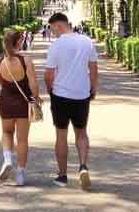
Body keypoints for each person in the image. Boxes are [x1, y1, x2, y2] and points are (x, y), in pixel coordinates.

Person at [44, 11, 98, 190]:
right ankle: (83, 165)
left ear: (58, 25)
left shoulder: (56, 46)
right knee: (81, 133)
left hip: (60, 95)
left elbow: (49, 74)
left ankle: (62, 175)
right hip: (81, 94)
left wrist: (50, 91)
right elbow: (93, 68)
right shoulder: (86, 41)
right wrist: (92, 88)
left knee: (61, 135)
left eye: (52, 29)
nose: (52, 33)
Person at [0, 29, 42, 187]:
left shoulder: (0, 62)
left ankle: (7, 159)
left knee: (6, 132)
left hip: (5, 102)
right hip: (23, 103)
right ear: (18, 42)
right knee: (22, 140)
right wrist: (36, 97)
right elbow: (33, 83)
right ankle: (20, 173)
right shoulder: (25, 60)